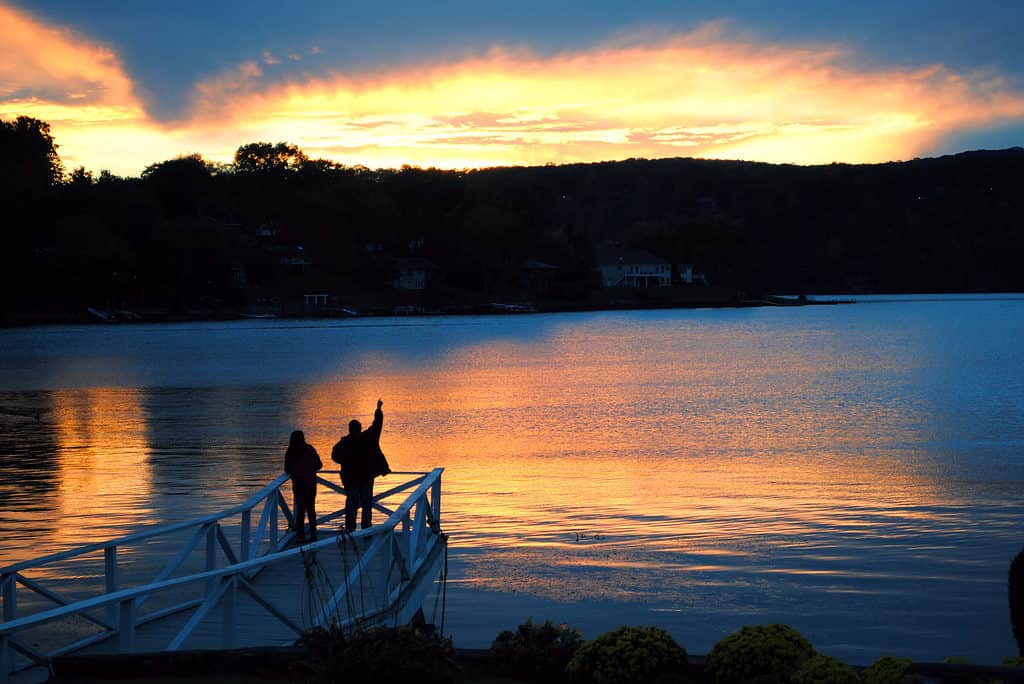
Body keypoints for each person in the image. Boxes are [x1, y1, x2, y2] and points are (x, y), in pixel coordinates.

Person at [332, 398, 391, 531]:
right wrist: (378, 409)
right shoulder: (368, 437)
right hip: (366, 477)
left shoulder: (344, 442)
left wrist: (345, 461)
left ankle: (350, 530)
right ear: (360, 428)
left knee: (351, 506)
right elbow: (377, 424)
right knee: (366, 504)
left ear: (349, 429)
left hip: (351, 479)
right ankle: (366, 530)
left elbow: (334, 456)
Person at [284, 430, 323, 543]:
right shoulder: (310, 449)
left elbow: (287, 469)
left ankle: (301, 535)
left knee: (300, 510)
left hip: (298, 483)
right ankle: (313, 534)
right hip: (310, 483)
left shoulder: (290, 451)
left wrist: (296, 471)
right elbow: (319, 464)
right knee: (311, 509)